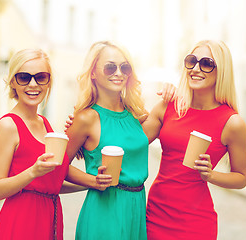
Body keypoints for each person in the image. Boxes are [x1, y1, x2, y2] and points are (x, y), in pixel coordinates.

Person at [63, 40, 175, 240]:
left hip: (137, 208)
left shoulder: (134, 115)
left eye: (125, 67)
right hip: (104, 211)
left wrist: (173, 91)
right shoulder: (86, 118)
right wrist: (93, 181)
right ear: (93, 72)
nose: (119, 73)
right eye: (110, 67)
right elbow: (59, 166)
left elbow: (170, 115)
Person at [144, 40, 246, 240]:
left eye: (207, 63)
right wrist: (86, 122)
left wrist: (210, 175)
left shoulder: (232, 123)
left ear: (221, 71)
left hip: (195, 223)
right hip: (156, 214)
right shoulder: (168, 106)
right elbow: (132, 141)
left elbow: (241, 178)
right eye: (191, 61)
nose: (196, 69)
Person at [0, 49, 69, 240]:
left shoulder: (44, 123)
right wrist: (32, 171)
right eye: (24, 77)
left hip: (50, 217)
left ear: (49, 82)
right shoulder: (8, 124)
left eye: (41, 77)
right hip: (21, 223)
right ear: (12, 82)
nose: (33, 84)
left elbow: (49, 183)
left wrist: (94, 183)